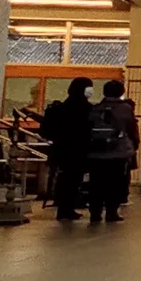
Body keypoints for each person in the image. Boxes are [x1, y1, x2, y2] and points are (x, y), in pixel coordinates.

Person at [87, 79, 141, 223]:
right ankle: (111, 212)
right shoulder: (125, 108)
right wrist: (133, 146)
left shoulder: (96, 107)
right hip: (117, 152)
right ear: (121, 92)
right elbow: (130, 129)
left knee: (96, 183)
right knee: (115, 183)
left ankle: (95, 212)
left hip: (96, 153)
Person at [42, 77, 94, 221]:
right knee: (73, 180)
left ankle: (64, 208)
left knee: (65, 178)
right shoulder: (86, 108)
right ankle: (67, 209)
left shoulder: (62, 107)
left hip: (62, 149)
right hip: (79, 149)